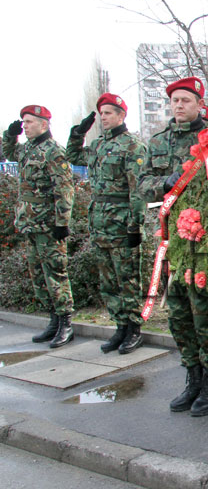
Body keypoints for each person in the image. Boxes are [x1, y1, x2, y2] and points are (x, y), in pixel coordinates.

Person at [138, 76, 208, 417]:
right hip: (173, 241)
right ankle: (192, 379)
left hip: (206, 243)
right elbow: (142, 184)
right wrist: (164, 182)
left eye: (185, 100)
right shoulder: (158, 142)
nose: (179, 105)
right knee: (178, 314)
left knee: (207, 314)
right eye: (174, 100)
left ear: (199, 104)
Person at [66, 94, 147, 354]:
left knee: (127, 279)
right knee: (109, 280)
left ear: (121, 115)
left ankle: (134, 328)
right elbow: (73, 156)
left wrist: (136, 226)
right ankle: (120, 326)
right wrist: (78, 134)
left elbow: (138, 190)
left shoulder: (132, 146)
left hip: (121, 223)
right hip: (100, 223)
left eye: (108, 113)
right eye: (101, 114)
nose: (103, 118)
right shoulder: (98, 144)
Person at [2, 105, 75, 347]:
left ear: (43, 124)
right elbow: (8, 153)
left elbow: (64, 189)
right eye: (23, 122)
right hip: (30, 224)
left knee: (56, 274)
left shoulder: (54, 151)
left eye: (29, 122)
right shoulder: (27, 149)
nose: (25, 126)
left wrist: (62, 223)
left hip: (48, 225)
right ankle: (53, 320)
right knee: (39, 277)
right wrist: (10, 135)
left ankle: (66, 323)